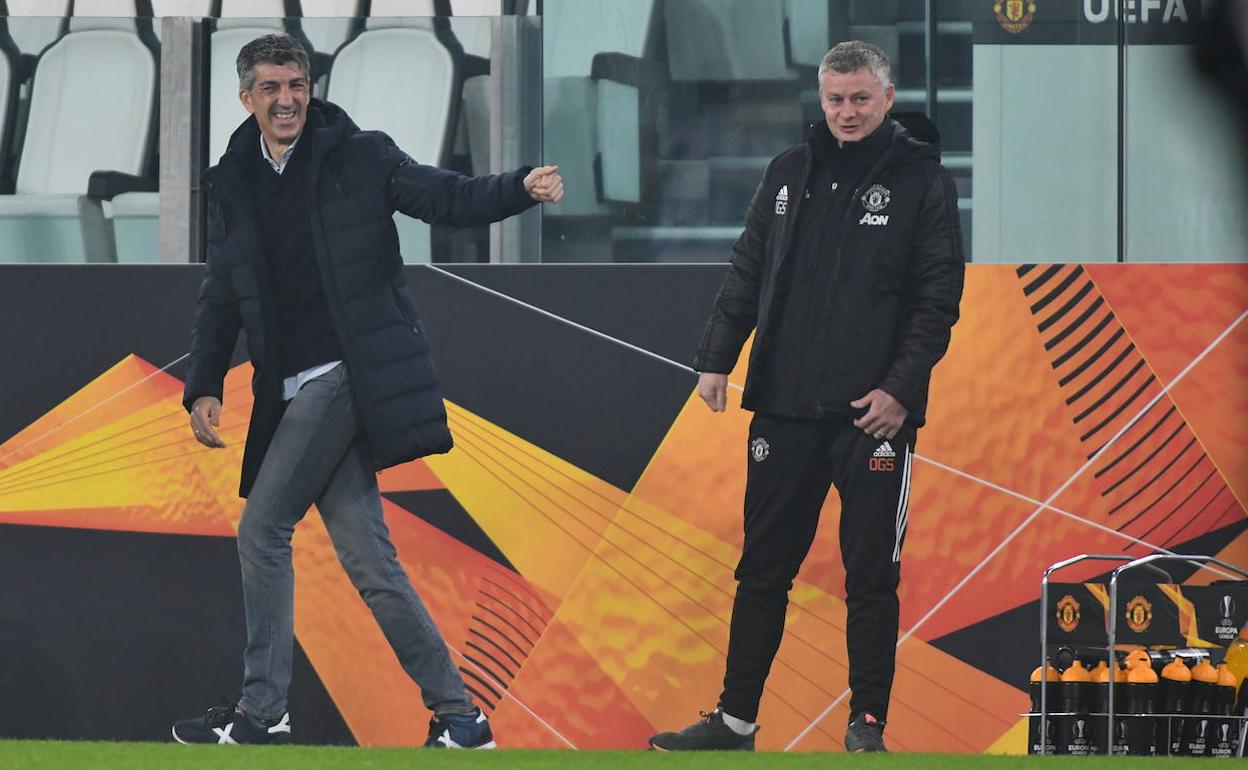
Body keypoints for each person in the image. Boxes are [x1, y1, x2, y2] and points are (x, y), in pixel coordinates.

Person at [171, 33, 563, 749]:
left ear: (310, 87)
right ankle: (461, 718)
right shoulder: (231, 177)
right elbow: (221, 290)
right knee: (371, 563)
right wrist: (202, 383)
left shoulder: (361, 153)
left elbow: (446, 197)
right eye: (271, 88)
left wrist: (517, 188)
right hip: (287, 389)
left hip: (347, 376)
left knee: (263, 530)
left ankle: (263, 711)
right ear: (246, 98)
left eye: (296, 84)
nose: (286, 98)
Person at [649, 41, 964, 753]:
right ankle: (734, 723)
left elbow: (937, 301)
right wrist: (715, 358)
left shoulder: (922, 183)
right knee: (762, 570)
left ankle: (867, 726)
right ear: (820, 101)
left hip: (872, 417)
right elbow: (748, 268)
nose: (846, 112)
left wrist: (899, 390)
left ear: (887, 98)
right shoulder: (788, 172)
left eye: (859, 98)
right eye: (834, 99)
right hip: (784, 406)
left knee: (870, 578)